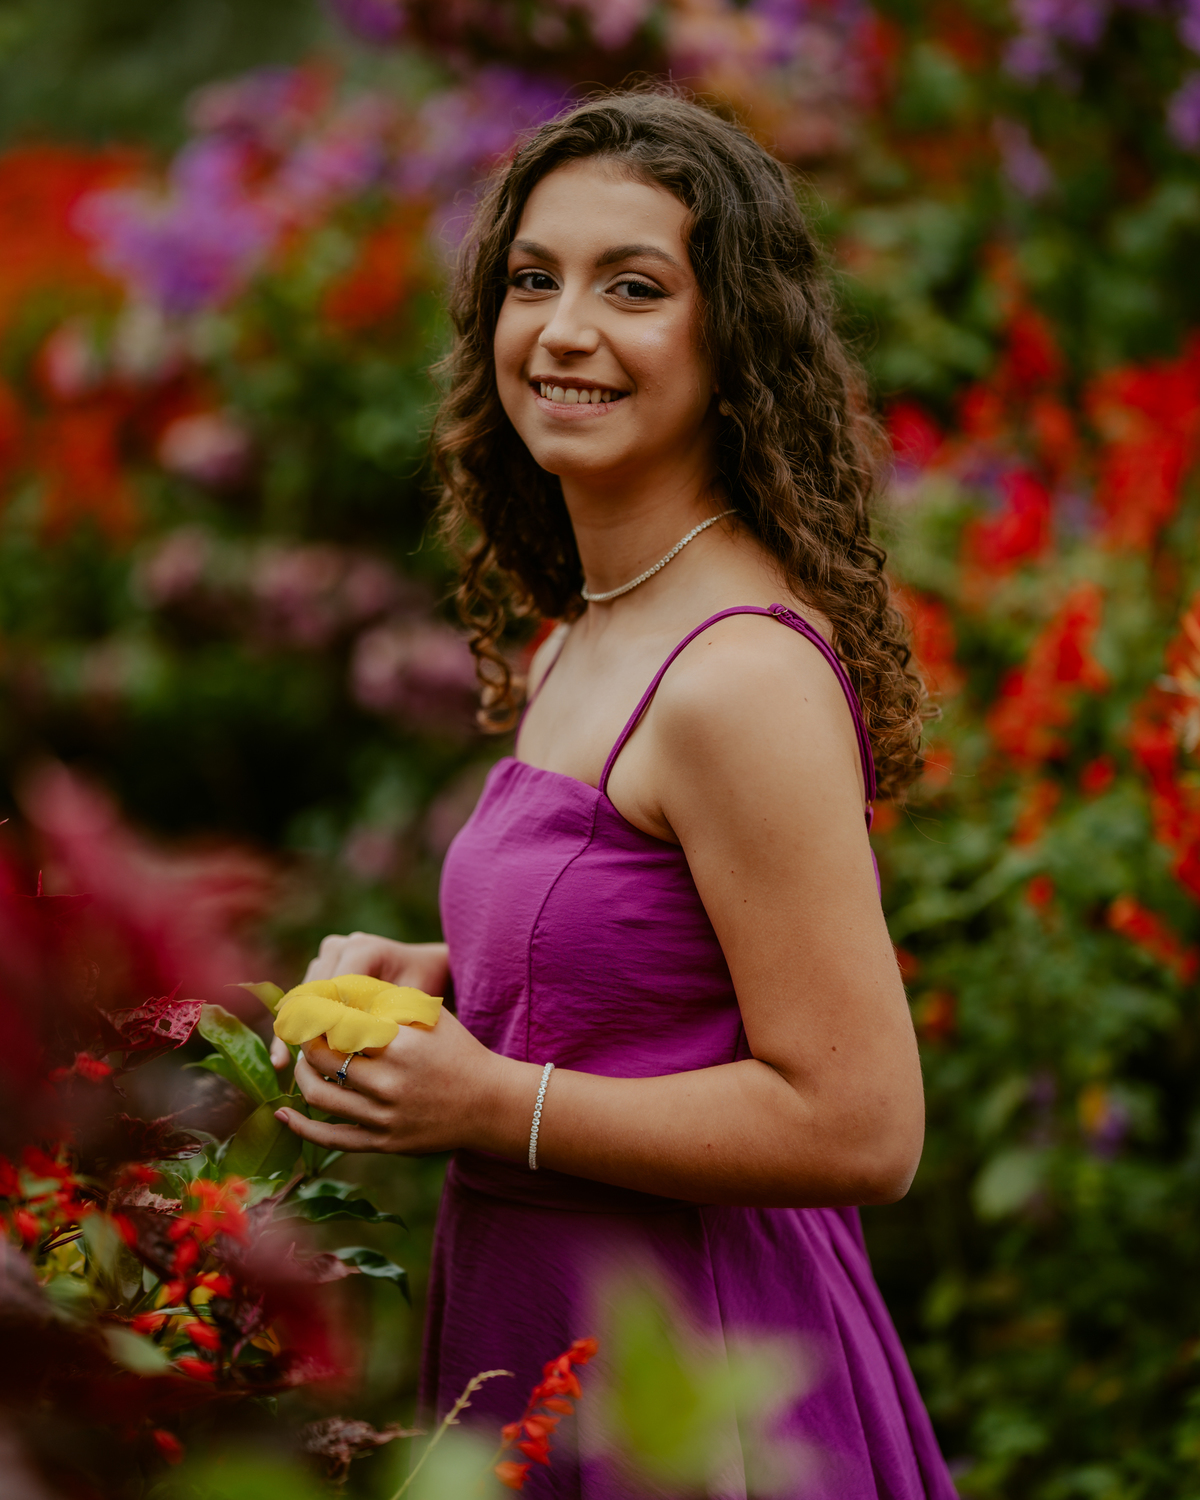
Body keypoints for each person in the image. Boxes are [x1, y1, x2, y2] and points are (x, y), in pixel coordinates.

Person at [272, 89, 955, 1498]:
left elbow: (862, 1125)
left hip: (695, 1384)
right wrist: (447, 989)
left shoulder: (737, 679)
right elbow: (655, 980)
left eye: (632, 287)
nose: (564, 330)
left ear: (733, 343)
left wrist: (486, 1101)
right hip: (542, 1324)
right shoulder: (581, 633)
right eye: (535, 280)